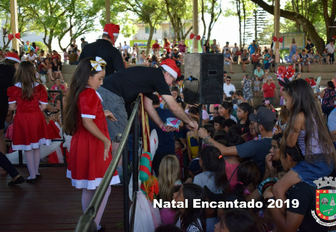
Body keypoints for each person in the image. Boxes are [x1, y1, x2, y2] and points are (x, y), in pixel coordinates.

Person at [96, 58, 198, 156]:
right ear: (167, 74)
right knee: (118, 140)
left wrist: (162, 125)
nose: (171, 84)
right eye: (173, 80)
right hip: (111, 95)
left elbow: (148, 106)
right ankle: (117, 172)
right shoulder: (159, 77)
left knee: (114, 138)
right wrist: (190, 121)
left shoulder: (151, 76)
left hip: (106, 92)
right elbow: (173, 106)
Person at [63, 57, 120, 231]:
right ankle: (93, 225)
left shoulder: (83, 92)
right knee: (104, 187)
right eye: (99, 78)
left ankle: (91, 223)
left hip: (85, 143)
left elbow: (87, 115)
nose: (101, 83)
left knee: (90, 187)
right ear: (89, 77)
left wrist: (103, 112)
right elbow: (87, 122)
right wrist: (105, 140)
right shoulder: (88, 93)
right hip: (93, 144)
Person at [273, 79, 336, 213]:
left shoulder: (298, 116)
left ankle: (285, 222)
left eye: (285, 100)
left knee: (278, 189)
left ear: (295, 98)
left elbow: (290, 142)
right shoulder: (314, 111)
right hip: (326, 159)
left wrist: (284, 130)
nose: (284, 104)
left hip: (315, 162)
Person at [263, 145, 328, 232]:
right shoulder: (325, 178)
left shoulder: (300, 190)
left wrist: (269, 199)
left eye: (282, 157)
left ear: (288, 157)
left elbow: (288, 229)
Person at [198, 107, 276, 176]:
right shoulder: (276, 141)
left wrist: (205, 136)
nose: (252, 125)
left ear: (260, 127)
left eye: (255, 123)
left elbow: (224, 151)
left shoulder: (257, 145)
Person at [7, 61, 51, 184]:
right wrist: (35, 109)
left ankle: (32, 175)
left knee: (27, 147)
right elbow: (44, 106)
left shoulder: (14, 88)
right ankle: (35, 172)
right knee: (36, 146)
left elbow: (12, 108)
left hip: (22, 118)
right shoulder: (40, 87)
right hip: (36, 117)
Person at [149, 94, 175, 175]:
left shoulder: (146, 116)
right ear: (159, 101)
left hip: (154, 153)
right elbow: (177, 127)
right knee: (169, 176)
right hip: (169, 150)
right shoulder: (169, 113)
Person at [0, 53, 20, 154]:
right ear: (15, 64)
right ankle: (3, 167)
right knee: (0, 136)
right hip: (2, 103)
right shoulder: (12, 72)